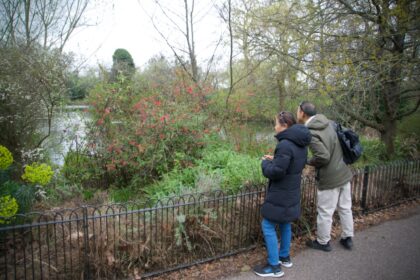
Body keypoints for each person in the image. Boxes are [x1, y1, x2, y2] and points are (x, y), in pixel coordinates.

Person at [254, 112, 311, 278]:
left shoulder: (285, 144)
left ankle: (274, 266)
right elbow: (293, 164)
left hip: (281, 193)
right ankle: (284, 256)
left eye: (276, 123)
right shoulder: (300, 143)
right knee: (285, 222)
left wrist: (266, 164)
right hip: (292, 191)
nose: (274, 127)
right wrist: (276, 158)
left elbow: (277, 172)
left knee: (268, 225)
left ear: (285, 125)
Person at [296, 101, 354, 252]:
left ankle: (323, 242)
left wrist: (308, 161)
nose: (297, 112)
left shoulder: (310, 132)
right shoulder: (328, 123)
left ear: (302, 113)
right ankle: (347, 238)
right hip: (343, 172)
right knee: (345, 208)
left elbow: (323, 156)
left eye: (297, 110)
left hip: (330, 177)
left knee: (325, 212)